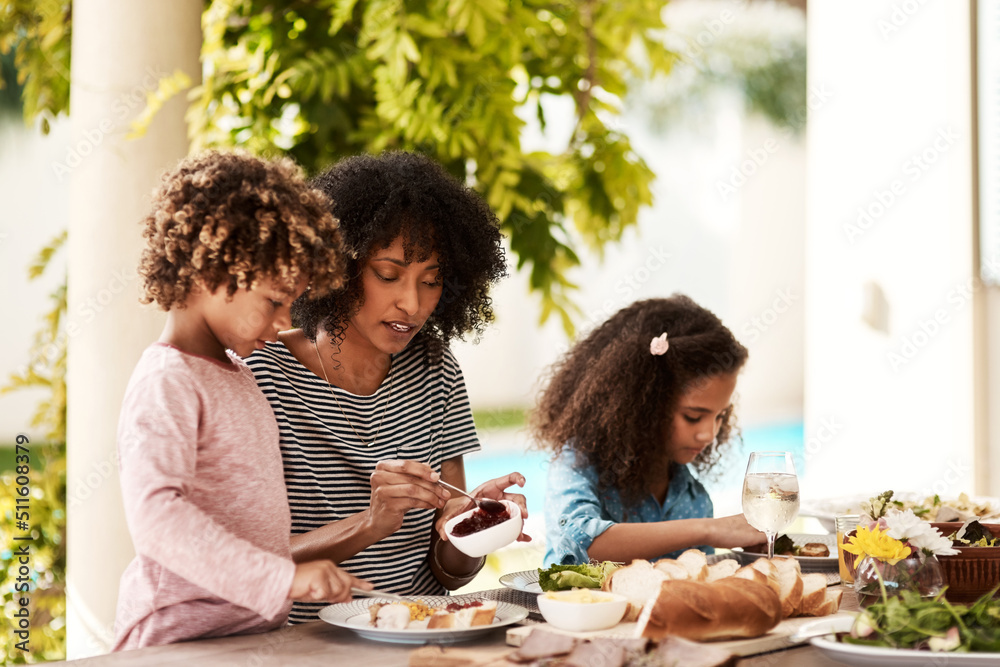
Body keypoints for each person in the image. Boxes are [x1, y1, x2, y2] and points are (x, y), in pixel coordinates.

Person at [247, 151, 528, 624]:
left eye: (432, 281)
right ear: (338, 267)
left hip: (421, 631)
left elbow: (449, 575)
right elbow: (243, 560)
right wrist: (369, 524)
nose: (412, 304)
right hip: (307, 646)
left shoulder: (436, 369)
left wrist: (472, 526)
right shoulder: (262, 373)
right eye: (388, 274)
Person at [113, 151, 371, 651]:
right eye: (275, 301)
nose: (283, 322)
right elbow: (156, 518)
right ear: (212, 272)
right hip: (176, 638)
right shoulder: (168, 380)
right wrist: (282, 579)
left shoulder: (241, 377)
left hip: (247, 635)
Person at [532, 295, 765, 566]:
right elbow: (582, 541)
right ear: (643, 404)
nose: (709, 434)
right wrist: (709, 529)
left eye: (720, 417)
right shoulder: (579, 459)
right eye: (693, 417)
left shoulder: (691, 496)